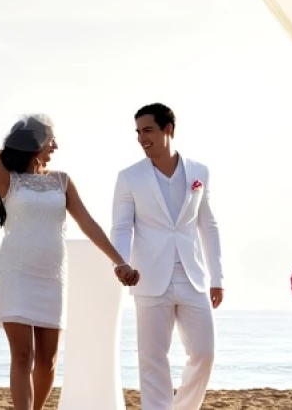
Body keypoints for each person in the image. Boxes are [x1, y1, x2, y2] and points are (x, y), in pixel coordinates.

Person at [0, 79, 137, 410]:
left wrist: (119, 261)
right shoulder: (8, 180)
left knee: (47, 362)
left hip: (51, 278)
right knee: (22, 355)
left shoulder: (62, 181)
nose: (56, 146)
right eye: (51, 139)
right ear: (35, 142)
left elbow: (88, 223)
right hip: (16, 274)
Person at [110, 103, 224, 410]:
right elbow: (121, 227)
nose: (141, 138)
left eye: (148, 130)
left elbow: (208, 225)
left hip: (193, 277)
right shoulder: (129, 177)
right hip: (148, 277)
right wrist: (120, 263)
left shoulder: (199, 172)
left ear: (168, 130)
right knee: (152, 360)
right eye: (138, 132)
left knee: (204, 353)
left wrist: (217, 278)